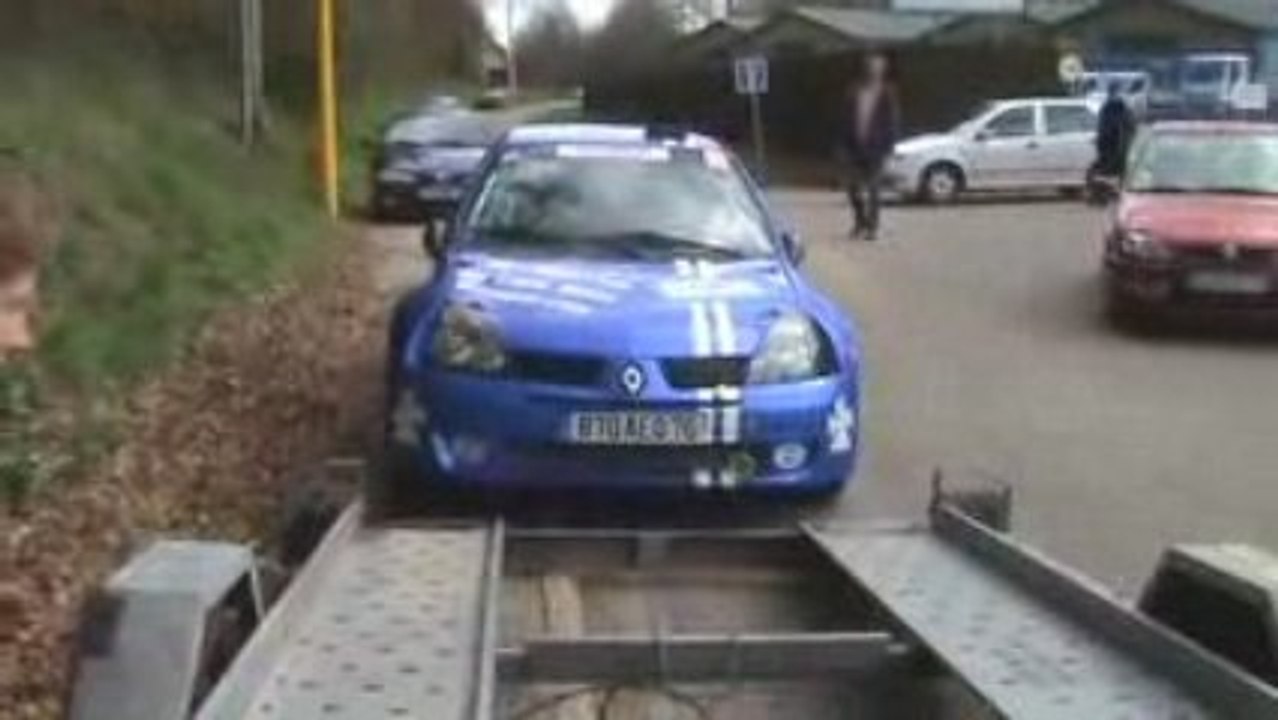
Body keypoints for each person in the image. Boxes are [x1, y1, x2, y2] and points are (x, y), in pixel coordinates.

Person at [840, 52, 900, 241]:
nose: (875, 71)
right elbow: (845, 119)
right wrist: (842, 144)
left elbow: (892, 122)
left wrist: (889, 149)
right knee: (852, 188)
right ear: (866, 69)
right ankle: (860, 222)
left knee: (874, 189)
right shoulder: (854, 91)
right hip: (854, 147)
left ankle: (872, 227)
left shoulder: (887, 92)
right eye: (872, 67)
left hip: (876, 149)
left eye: (879, 67)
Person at [1095, 84, 1137, 179]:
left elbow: (1130, 124)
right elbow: (1130, 124)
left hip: (1114, 142)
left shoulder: (1112, 107)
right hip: (1113, 142)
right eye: (1115, 92)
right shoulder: (1112, 107)